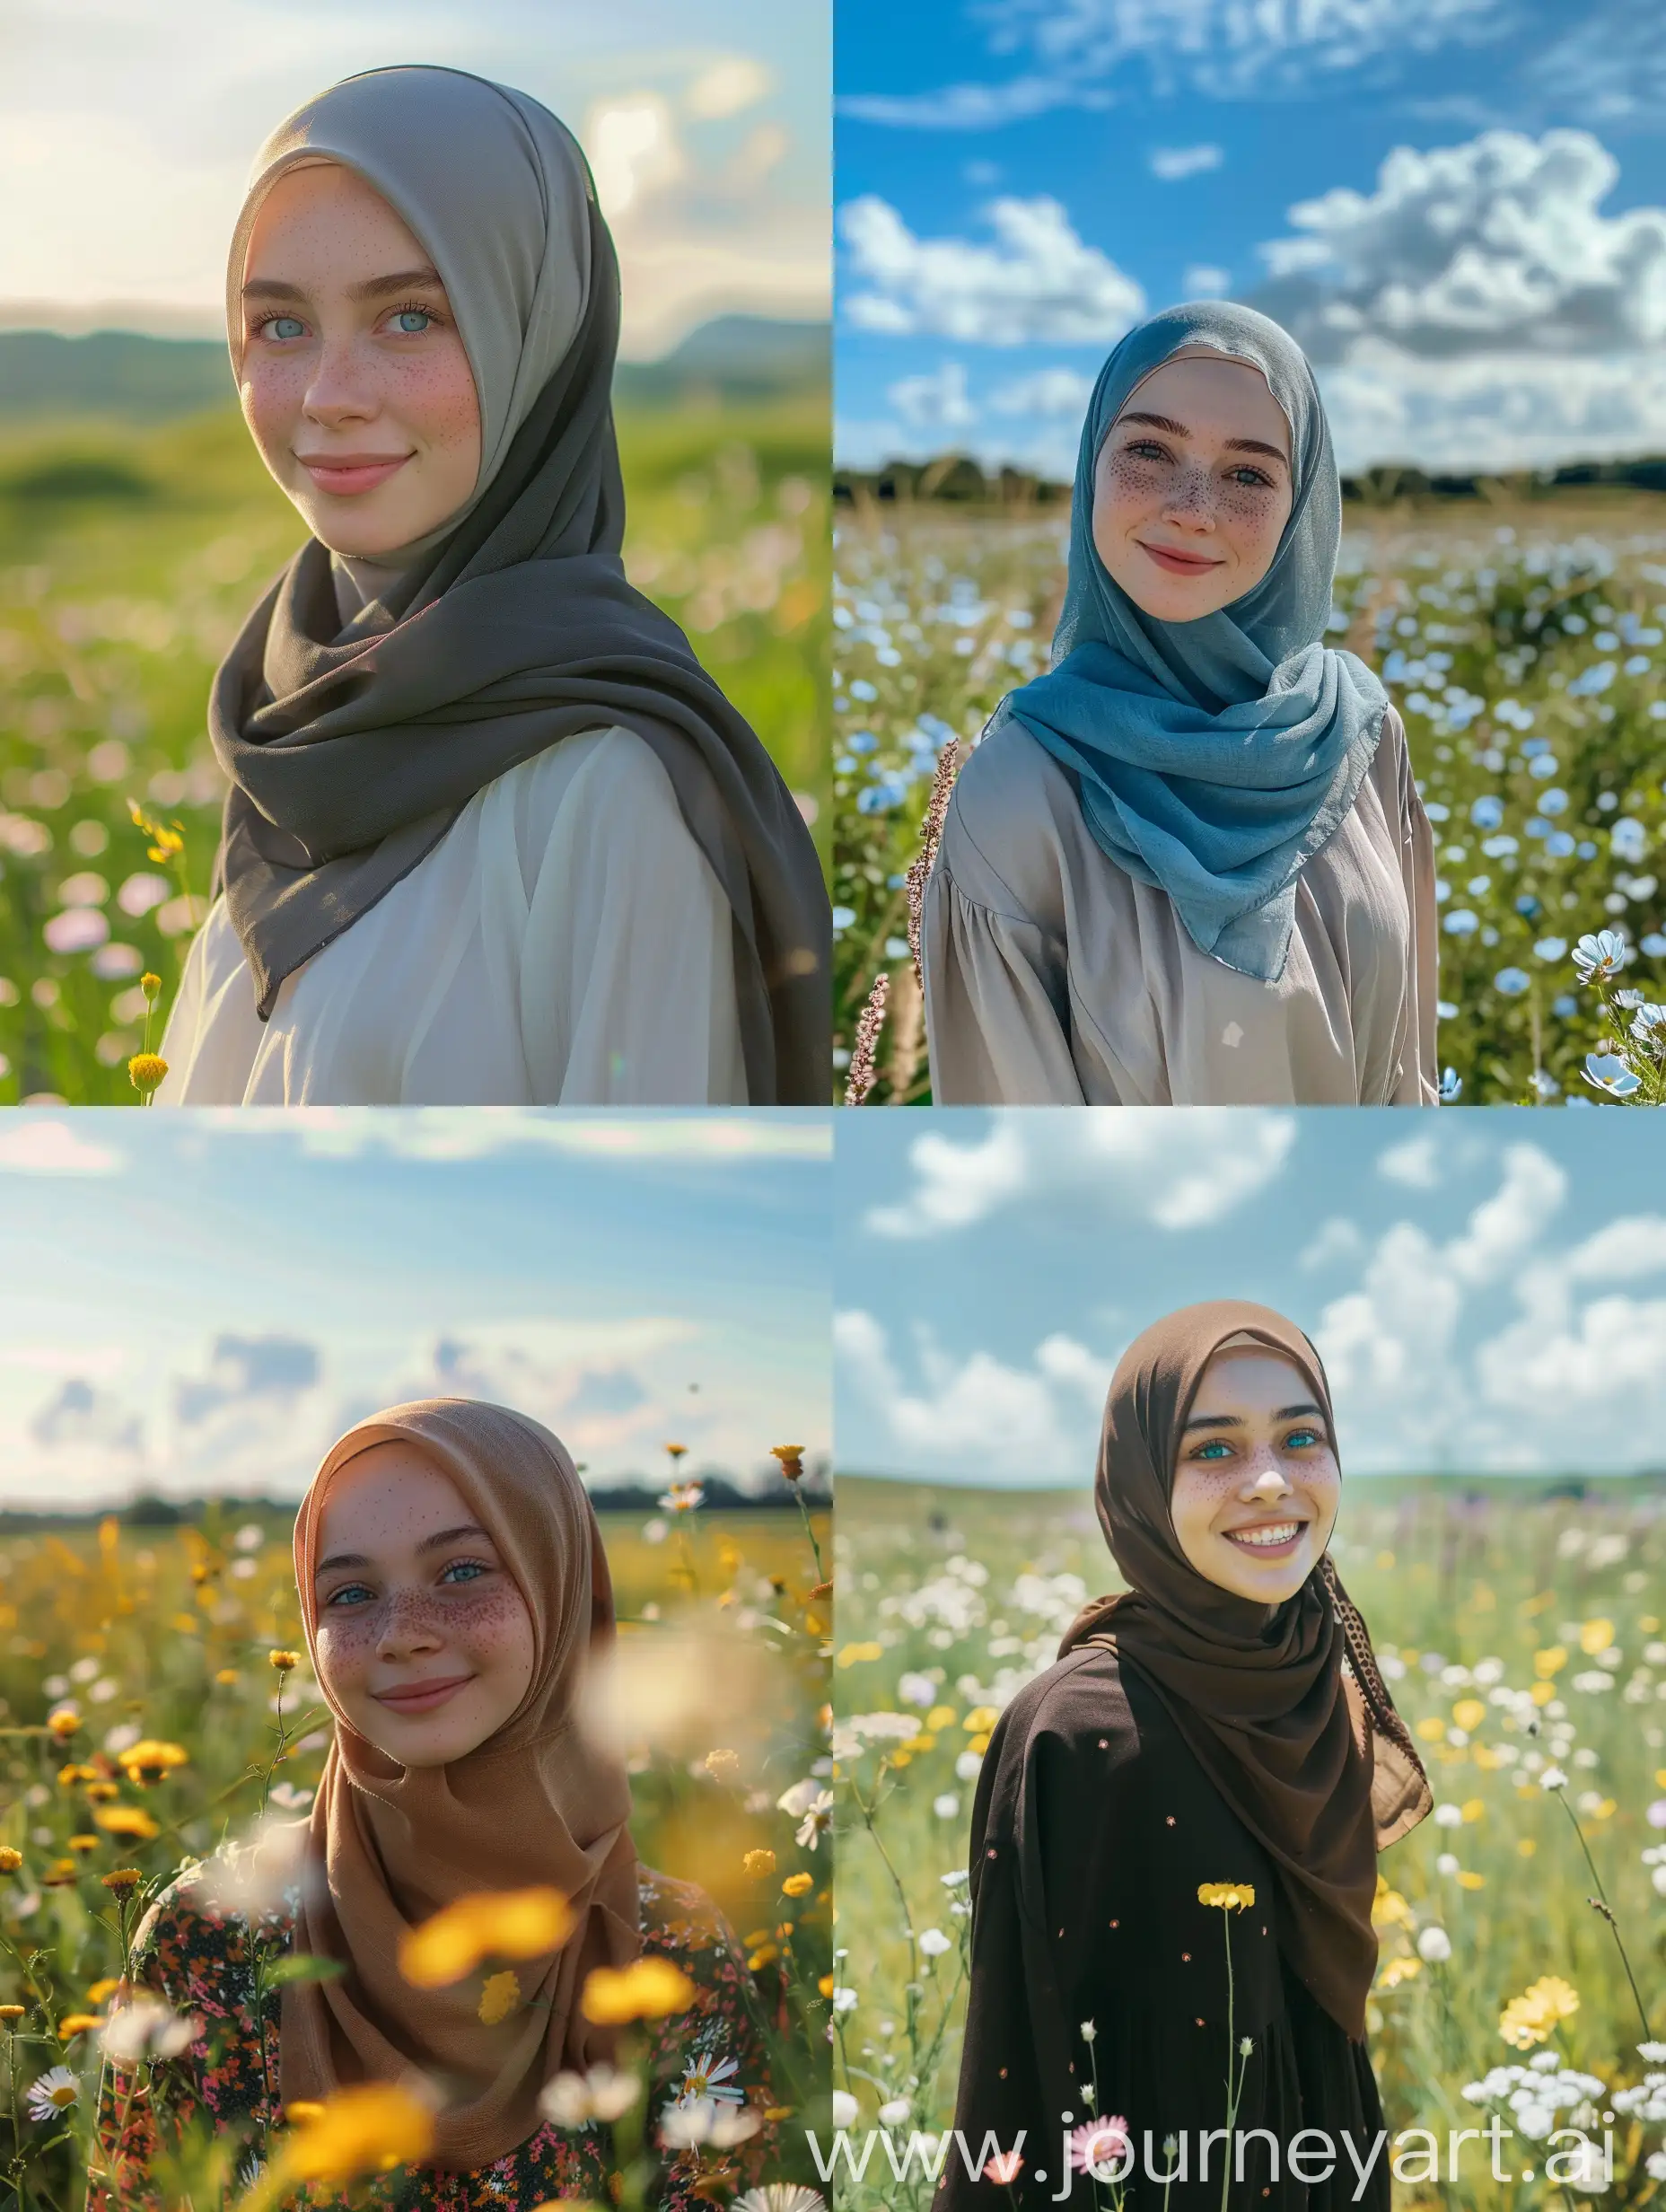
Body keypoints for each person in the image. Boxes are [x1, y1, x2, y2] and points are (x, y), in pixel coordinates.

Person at [153, 66, 829, 1106]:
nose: (329, 397)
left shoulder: (611, 793)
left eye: (412, 316)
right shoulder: (291, 731)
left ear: (541, 332)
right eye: (281, 325)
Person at [89, 1400, 785, 2210]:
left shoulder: (675, 1953)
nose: (402, 1634)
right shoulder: (202, 1942)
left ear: (557, 1583)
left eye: (462, 1571)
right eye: (349, 1593)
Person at [938, 1301, 1432, 2210]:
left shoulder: (1309, 1677)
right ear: (1137, 1479)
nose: (1270, 1481)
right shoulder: (1078, 1731)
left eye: (1299, 1437)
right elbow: (1022, 2074)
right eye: (1212, 1449)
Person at [920, 303, 1437, 1106]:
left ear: (1302, 509)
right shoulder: (1021, 792)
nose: (1192, 506)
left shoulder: (1362, 737)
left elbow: (1410, 1075)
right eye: (1150, 451)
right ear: (1093, 461)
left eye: (1247, 473)